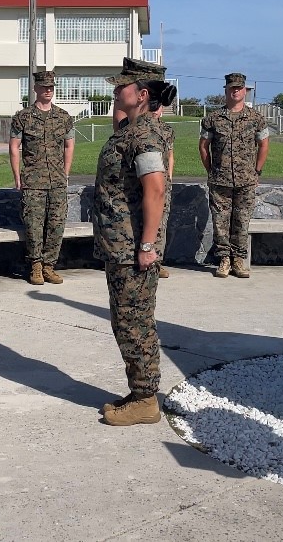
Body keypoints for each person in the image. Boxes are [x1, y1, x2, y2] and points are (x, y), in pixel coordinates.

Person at [93, 57, 175, 426]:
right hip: (120, 247)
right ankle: (139, 390)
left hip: (131, 250)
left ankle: (145, 399)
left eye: (122, 85)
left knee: (135, 323)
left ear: (141, 95)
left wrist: (146, 246)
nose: (116, 89)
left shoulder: (144, 136)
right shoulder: (130, 129)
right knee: (126, 321)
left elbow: (155, 190)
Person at [199, 72, 269, 278]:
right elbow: (204, 146)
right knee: (220, 221)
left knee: (242, 220)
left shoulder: (256, 118)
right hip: (220, 180)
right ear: (226, 90)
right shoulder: (213, 119)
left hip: (246, 179)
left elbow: (263, 144)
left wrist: (257, 170)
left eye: (239, 88)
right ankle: (224, 260)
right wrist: (210, 170)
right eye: (232, 88)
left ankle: (238, 259)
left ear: (245, 91)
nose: (236, 91)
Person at [9, 70, 75, 285]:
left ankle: (49, 266)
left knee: (56, 225)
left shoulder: (64, 117)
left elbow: (69, 145)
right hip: (33, 181)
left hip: (56, 181)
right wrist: (17, 176)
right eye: (44, 87)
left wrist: (65, 173)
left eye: (51, 87)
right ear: (35, 88)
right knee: (34, 226)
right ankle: (36, 267)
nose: (48, 91)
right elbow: (14, 147)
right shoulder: (23, 117)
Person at [152, 100, 174, 279]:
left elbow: (170, 156)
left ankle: (157, 263)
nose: (155, 110)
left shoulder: (167, 130)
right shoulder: (132, 127)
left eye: (158, 106)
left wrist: (170, 177)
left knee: (161, 225)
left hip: (163, 183)